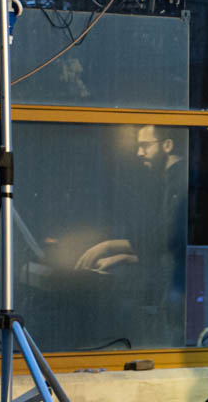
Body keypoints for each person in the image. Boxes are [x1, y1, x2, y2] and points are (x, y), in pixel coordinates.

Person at [75, 125, 188, 346]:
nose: (139, 153)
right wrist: (122, 257)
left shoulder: (178, 181)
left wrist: (107, 247)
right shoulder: (169, 180)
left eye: (145, 145)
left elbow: (166, 240)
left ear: (167, 145)